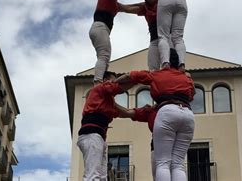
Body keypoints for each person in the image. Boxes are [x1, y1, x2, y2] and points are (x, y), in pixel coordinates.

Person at [116, 49, 195, 181]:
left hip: (167, 111)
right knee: (178, 164)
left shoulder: (157, 74)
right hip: (187, 113)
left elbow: (130, 76)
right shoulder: (186, 77)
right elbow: (191, 95)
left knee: (163, 163)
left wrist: (113, 83)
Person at [77, 71, 130, 181]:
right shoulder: (100, 88)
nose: (114, 83)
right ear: (105, 80)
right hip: (91, 135)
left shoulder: (107, 101)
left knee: (102, 177)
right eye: (112, 80)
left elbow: (125, 112)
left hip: (97, 137)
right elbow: (118, 88)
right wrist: (139, 77)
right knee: (93, 175)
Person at [90, 0, 129, 82]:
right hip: (100, 27)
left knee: (105, 59)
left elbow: (128, 8)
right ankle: (98, 81)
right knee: (104, 56)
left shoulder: (112, 1)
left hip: (101, 29)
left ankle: (102, 79)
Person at [118, 0, 163, 70]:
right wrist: (115, 5)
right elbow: (127, 8)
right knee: (153, 68)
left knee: (170, 65)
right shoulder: (145, 8)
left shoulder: (163, 2)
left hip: (168, 38)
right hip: (154, 40)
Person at [116, 103, 158, 180]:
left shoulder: (152, 111)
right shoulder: (152, 110)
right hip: (174, 143)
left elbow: (127, 113)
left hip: (158, 144)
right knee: (177, 167)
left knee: (161, 171)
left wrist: (110, 103)